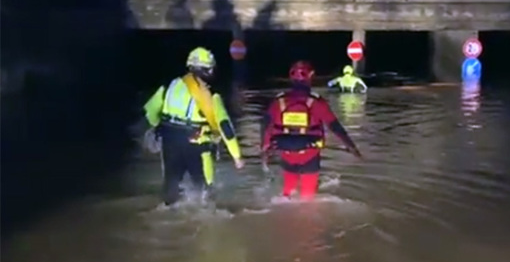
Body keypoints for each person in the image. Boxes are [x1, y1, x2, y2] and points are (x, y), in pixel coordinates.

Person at [142, 46, 245, 206]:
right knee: (204, 191)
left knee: (171, 187)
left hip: (169, 141)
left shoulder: (170, 85)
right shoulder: (210, 95)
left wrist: (160, 128)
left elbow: (150, 112)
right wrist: (237, 157)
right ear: (209, 71)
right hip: (197, 144)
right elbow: (225, 127)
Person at [261, 61, 362, 200]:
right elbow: (335, 126)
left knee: (287, 194)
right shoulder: (316, 102)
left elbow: (266, 124)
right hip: (310, 154)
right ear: (311, 77)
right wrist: (351, 147)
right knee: (308, 199)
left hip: (286, 153)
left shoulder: (279, 101)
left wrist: (264, 148)